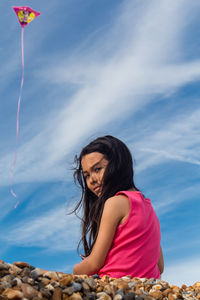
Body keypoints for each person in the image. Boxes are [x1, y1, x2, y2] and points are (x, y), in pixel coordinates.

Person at [72, 135, 164, 278]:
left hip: (115, 286)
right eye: (87, 175)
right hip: (146, 289)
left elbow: (94, 264)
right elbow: (160, 266)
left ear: (118, 164)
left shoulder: (115, 203)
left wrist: (76, 269)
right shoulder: (149, 209)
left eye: (97, 169)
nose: (92, 180)